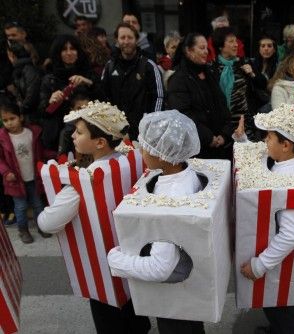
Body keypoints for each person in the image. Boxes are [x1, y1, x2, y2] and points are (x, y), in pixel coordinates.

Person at [37, 101, 151, 334]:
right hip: (133, 259)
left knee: (110, 322)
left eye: (79, 132)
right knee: (136, 317)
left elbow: (47, 223)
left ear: (100, 142)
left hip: (103, 273)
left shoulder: (83, 183)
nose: (73, 137)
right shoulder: (130, 160)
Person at [108, 110, 204, 334]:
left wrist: (116, 259)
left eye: (145, 145)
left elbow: (161, 268)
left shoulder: (171, 198)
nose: (141, 150)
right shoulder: (182, 174)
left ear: (162, 154)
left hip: (174, 284)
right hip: (186, 271)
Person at [240, 103, 294, 334]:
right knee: (277, 310)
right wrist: (242, 139)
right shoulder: (285, 161)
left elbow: (291, 233)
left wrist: (259, 265)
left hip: (278, 265)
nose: (265, 141)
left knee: (280, 308)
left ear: (285, 144)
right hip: (276, 260)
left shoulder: (288, 179)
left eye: (269, 137)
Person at [166, 33, 232, 159]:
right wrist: (208, 137)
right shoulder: (178, 80)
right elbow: (183, 115)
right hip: (197, 151)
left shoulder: (209, 74)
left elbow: (222, 105)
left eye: (207, 48)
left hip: (220, 146)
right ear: (188, 51)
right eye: (202, 48)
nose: (206, 52)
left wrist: (225, 134)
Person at [0, 95, 51, 244]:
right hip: (15, 181)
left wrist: (53, 157)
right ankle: (23, 230)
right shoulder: (2, 138)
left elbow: (41, 152)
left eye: (12, 118)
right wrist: (6, 172)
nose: (9, 123)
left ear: (21, 117)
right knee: (21, 207)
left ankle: (42, 226)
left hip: (34, 177)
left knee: (38, 204)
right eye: (5, 120)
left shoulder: (32, 133)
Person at [101, 23, 164, 141]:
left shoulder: (148, 66)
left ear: (137, 40)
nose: (126, 41)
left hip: (144, 134)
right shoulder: (110, 66)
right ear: (116, 40)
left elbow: (159, 97)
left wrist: (151, 125)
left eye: (130, 37)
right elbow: (104, 98)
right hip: (117, 133)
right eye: (122, 37)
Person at [38, 34, 98, 153]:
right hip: (59, 139)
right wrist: (50, 102)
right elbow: (41, 112)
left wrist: (88, 83)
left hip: (89, 136)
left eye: (73, 49)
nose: (69, 53)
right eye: (64, 49)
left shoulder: (89, 74)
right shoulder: (50, 79)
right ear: (58, 53)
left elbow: (103, 100)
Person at [210, 26, 256, 132]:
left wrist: (252, 74)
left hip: (244, 123)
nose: (236, 45)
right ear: (220, 46)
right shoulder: (212, 68)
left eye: (236, 41)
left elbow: (260, 86)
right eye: (231, 41)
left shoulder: (244, 63)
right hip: (222, 124)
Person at [6, 41, 41, 118]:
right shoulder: (18, 70)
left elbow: (32, 95)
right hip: (29, 113)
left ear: (12, 55)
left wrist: (19, 111)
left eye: (8, 55)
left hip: (36, 114)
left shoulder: (29, 70)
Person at [250, 34, 279, 111]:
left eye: (269, 46)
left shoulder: (279, 66)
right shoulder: (251, 63)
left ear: (274, 49)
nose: (266, 49)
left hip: (270, 103)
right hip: (253, 102)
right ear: (259, 49)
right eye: (263, 46)